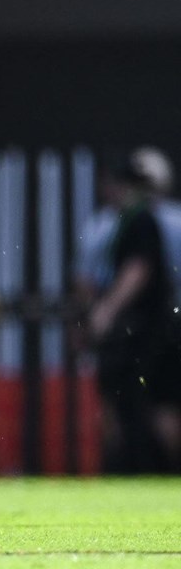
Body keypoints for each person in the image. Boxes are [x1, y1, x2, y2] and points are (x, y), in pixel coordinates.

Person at [75, 147, 180, 473]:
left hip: (139, 328)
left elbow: (129, 271)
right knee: (160, 403)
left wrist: (102, 312)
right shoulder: (132, 221)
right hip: (163, 324)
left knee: (128, 404)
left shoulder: (119, 222)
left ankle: (130, 468)